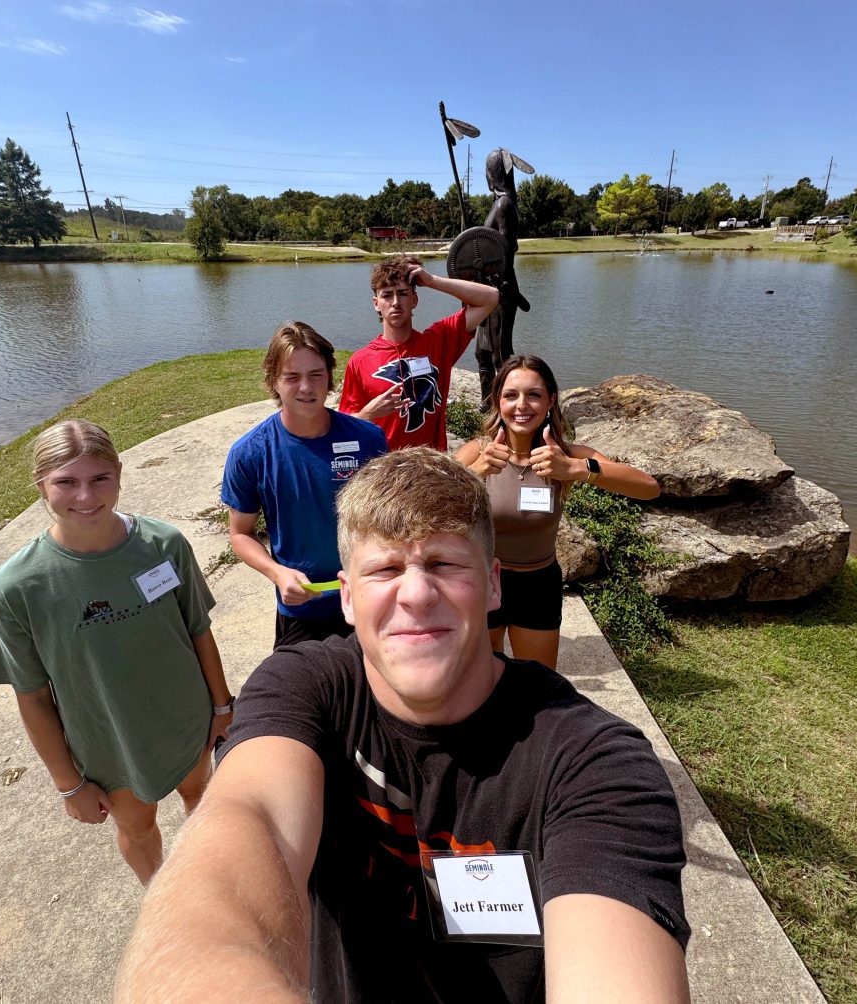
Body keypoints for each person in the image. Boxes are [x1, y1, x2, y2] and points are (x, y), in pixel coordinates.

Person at [115, 448, 690, 1003]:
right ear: (346, 597)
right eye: (385, 568)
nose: (415, 593)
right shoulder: (304, 690)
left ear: (493, 585)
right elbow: (244, 827)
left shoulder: (593, 762)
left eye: (444, 563)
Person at [0, 420, 233, 885]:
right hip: (110, 743)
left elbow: (198, 628)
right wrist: (69, 784)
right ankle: (159, 900)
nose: (86, 496)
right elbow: (32, 696)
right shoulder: (16, 588)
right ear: (40, 486)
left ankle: (210, 881)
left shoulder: (164, 545)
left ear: (119, 473)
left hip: (187, 719)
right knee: (137, 826)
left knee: (202, 797)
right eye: (65, 482)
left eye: (99, 479)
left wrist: (221, 705)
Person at [455, 356, 660, 669]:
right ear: (498, 401)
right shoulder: (478, 450)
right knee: (480, 675)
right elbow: (426, 507)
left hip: (537, 585)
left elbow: (649, 487)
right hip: (480, 580)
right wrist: (473, 473)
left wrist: (578, 469)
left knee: (537, 684)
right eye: (511, 395)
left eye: (534, 395)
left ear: (551, 401)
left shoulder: (566, 457)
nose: (521, 405)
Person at [222, 321, 387, 648]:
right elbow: (240, 534)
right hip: (302, 608)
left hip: (366, 597)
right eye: (291, 377)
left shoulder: (369, 439)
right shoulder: (250, 453)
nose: (306, 388)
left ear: (330, 376)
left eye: (315, 374)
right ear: (273, 381)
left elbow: (389, 518)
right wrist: (277, 573)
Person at [338, 254, 498, 450]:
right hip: (382, 470)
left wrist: (431, 281)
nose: (396, 302)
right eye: (387, 295)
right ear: (376, 304)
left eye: (403, 293)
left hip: (428, 468)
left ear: (414, 299)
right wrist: (367, 414)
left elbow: (490, 298)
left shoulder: (438, 341)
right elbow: (343, 426)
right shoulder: (359, 361)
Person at [476, 148, 532, 406]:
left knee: (501, 354)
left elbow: (507, 246)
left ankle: (511, 404)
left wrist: (501, 286)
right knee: (483, 352)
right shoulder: (499, 203)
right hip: (487, 290)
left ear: (494, 174)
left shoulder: (504, 204)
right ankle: (487, 403)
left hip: (501, 289)